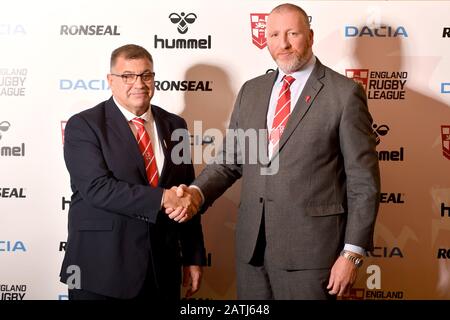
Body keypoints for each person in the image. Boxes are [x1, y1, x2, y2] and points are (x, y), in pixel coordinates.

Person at [168, 3, 380, 299]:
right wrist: (196, 193)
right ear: (264, 39)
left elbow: (363, 182)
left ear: (310, 35)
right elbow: (230, 162)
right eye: (274, 35)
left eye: (293, 33)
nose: (283, 44)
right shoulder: (252, 91)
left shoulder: (344, 94)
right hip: (252, 252)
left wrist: (351, 254)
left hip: (314, 256)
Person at [60, 44, 206, 301]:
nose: (138, 83)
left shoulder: (175, 125)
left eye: (146, 75)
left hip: (162, 269)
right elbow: (96, 188)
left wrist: (193, 256)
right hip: (102, 270)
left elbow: (186, 192)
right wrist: (162, 198)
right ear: (110, 81)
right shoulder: (83, 125)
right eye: (127, 76)